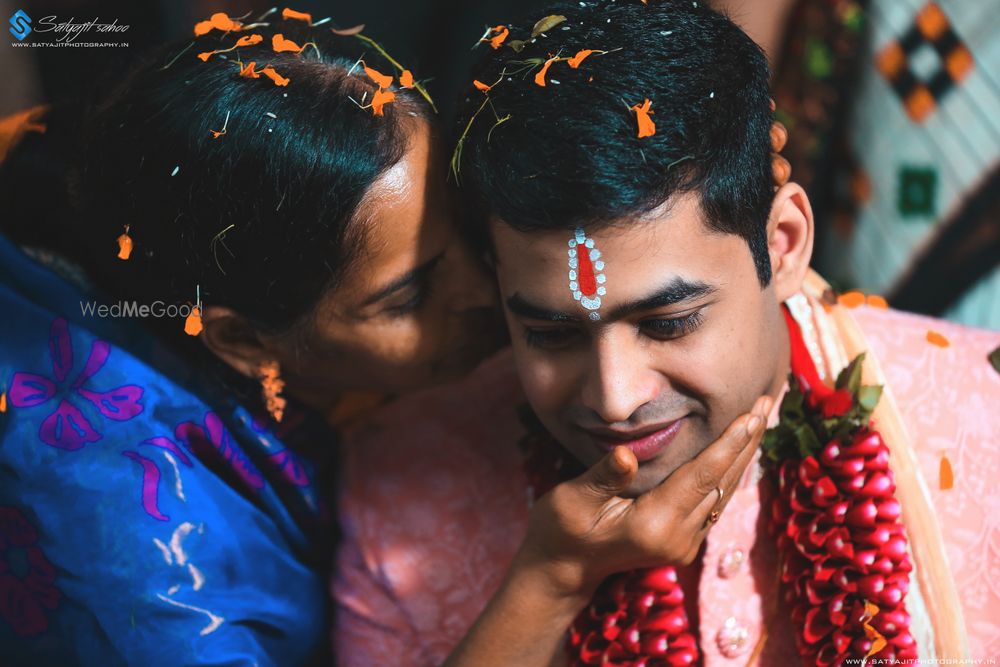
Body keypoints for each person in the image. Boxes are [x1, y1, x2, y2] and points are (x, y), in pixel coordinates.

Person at [332, 1, 1000, 665]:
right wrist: (552, 582)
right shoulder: (400, 493)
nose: (615, 398)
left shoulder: (984, 416)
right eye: (551, 334)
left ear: (784, 243)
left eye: (668, 322)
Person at [0, 11, 500, 666]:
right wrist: (548, 583)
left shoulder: (122, 159)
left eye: (464, 224)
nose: (488, 291)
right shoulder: (157, 600)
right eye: (409, 296)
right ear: (238, 339)